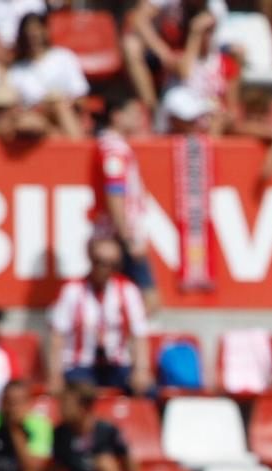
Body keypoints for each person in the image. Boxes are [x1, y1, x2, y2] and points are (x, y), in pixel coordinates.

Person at [48, 235, 152, 396]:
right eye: (99, 261)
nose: (104, 268)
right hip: (80, 364)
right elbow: (57, 336)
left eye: (111, 264)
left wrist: (141, 371)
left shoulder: (128, 290)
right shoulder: (72, 291)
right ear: (90, 259)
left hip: (117, 364)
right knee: (80, 394)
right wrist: (55, 374)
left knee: (148, 391)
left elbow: (139, 336)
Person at [90, 92, 157, 309]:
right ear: (117, 116)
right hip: (119, 234)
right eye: (134, 113)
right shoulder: (114, 149)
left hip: (118, 232)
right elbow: (114, 192)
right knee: (148, 299)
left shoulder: (113, 146)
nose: (140, 119)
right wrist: (126, 237)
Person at [50, 382, 135, 471]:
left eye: (67, 404)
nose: (62, 409)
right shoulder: (60, 433)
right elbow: (55, 469)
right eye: (61, 403)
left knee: (105, 463)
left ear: (84, 407)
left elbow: (129, 463)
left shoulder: (107, 430)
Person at [0, 380, 52, 471]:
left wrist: (15, 429)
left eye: (18, 402)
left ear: (29, 402)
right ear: (3, 402)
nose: (13, 407)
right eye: (10, 401)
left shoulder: (40, 425)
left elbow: (34, 468)